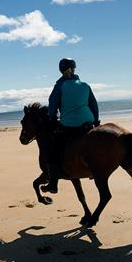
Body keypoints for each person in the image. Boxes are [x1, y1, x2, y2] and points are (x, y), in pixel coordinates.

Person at [41, 58, 99, 194]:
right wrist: (96, 121)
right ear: (74, 69)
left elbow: (52, 106)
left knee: (52, 151)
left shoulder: (59, 86)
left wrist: (52, 118)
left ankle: (53, 184)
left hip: (69, 125)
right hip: (88, 124)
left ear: (61, 70)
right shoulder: (85, 85)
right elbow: (94, 105)